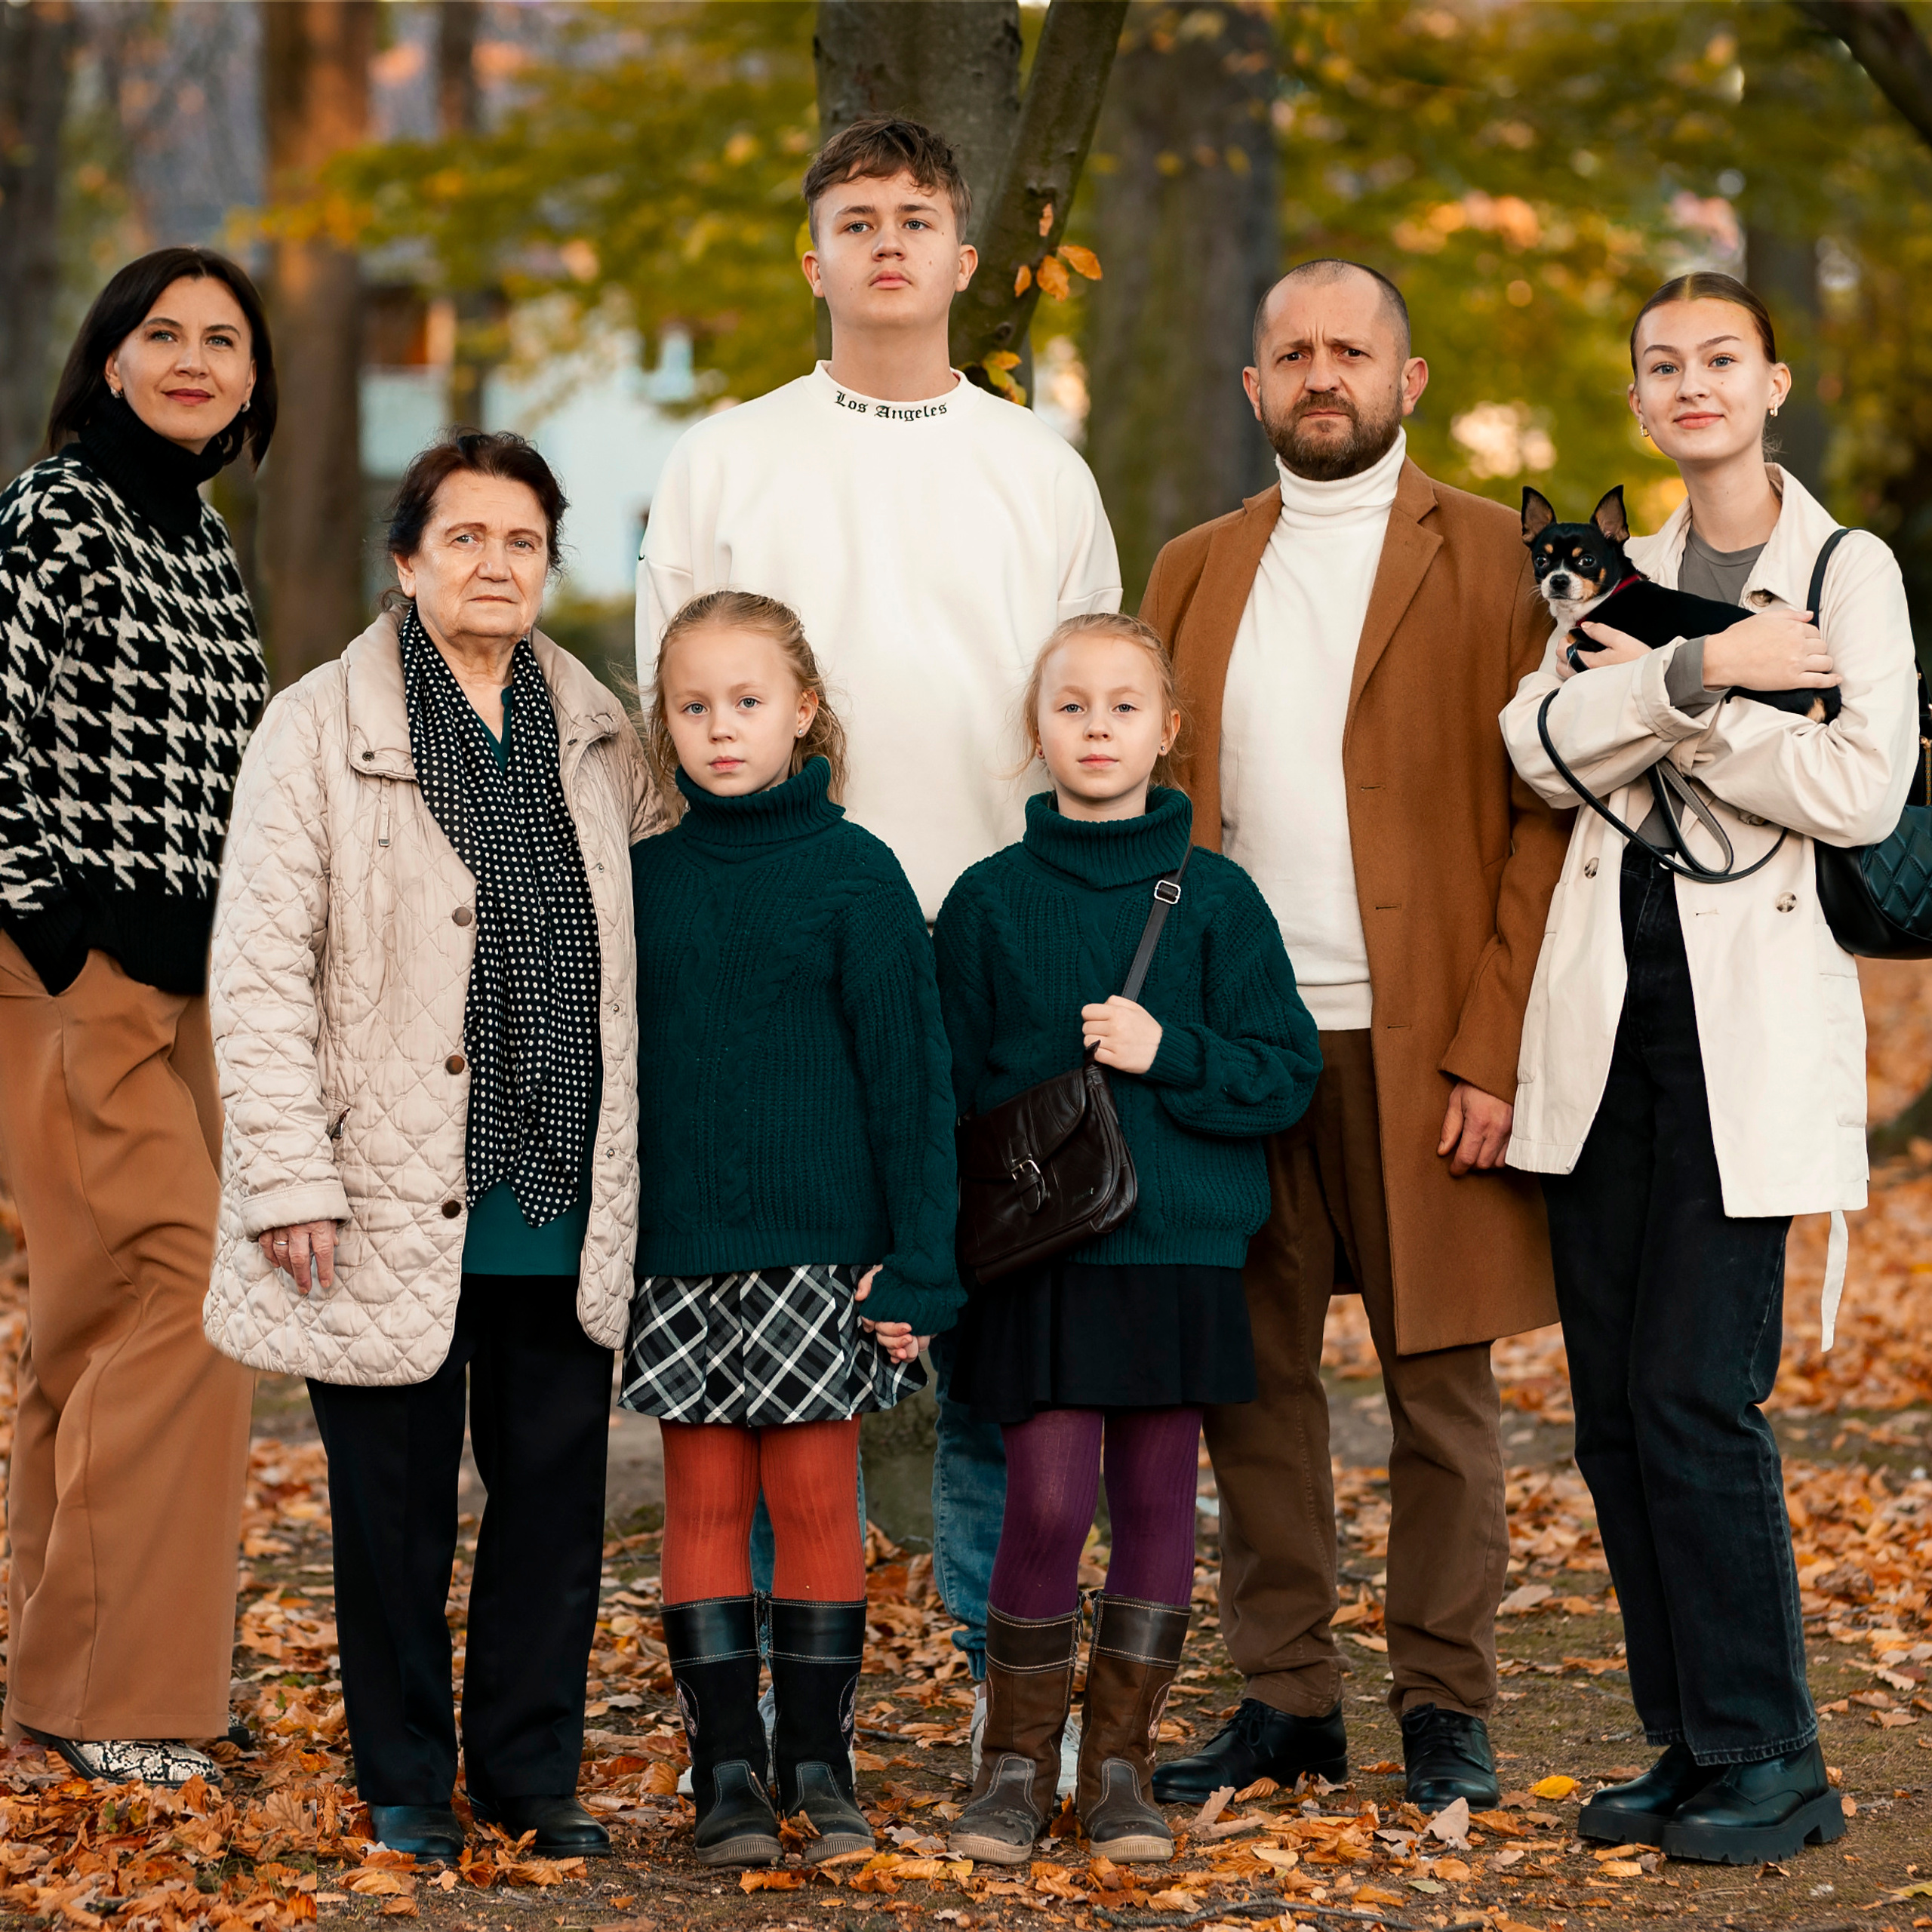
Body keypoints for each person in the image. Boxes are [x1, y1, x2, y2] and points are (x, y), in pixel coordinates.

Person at [636, 114, 1121, 1754]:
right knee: (773, 1343)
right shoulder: (726, 459)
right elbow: (667, 706)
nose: (888, 242)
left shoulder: (1036, 469)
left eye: (918, 216)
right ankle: (764, 1732)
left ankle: (1015, 1700)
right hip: (780, 945)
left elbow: (1081, 706)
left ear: (967, 257)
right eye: (855, 217)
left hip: (985, 933)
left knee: (994, 1339)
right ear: (814, 254)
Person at [1138, 260, 1570, 1811]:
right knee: (1250, 1388)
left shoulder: (1502, 563)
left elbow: (1546, 825)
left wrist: (1490, 1045)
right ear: (1251, 388)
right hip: (1240, 1051)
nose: (1321, 374)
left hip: (1421, 1041)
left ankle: (1444, 1704)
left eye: (1350, 349)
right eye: (1291, 353)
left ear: (1409, 378)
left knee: (1441, 1396)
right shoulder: (1191, 566)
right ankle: (1287, 1700)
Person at [1500, 272, 1915, 1864]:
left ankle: (1773, 1754)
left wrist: (1677, 712)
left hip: (1744, 1020)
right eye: (1659, 365)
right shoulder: (1621, 567)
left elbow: (1863, 786)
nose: (1689, 384)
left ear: (1769, 383)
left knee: (1692, 1388)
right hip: (1607, 1018)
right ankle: (1685, 1745)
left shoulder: (1839, 565)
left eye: (1717, 359)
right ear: (1637, 403)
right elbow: (1526, 745)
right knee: (1609, 1405)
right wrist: (1701, 671)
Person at [205, 432, 658, 1862]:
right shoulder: (314, 727)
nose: (494, 565)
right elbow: (260, 970)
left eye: (522, 542)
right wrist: (288, 1176)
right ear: (407, 561)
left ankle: (532, 1776)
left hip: (560, 1184)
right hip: (379, 1188)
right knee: (391, 1517)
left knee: (552, 1513)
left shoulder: (602, 733)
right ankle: (405, 1780)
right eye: (464, 538)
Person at [937, 614, 1321, 1866]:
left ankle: (1118, 1771)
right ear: (1034, 732)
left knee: (1158, 1503)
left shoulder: (1217, 902)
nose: (1097, 730)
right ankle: (1013, 1768)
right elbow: (943, 1098)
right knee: (1045, 1507)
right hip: (1041, 1266)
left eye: (1122, 707)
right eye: (1070, 707)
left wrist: (1175, 1053)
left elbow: (1287, 1077)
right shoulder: (987, 905)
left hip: (1179, 1254)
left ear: (1168, 729)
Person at [623, 589, 962, 1868]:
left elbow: (912, 1082)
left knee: (819, 1501)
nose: (721, 728)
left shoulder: (855, 874)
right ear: (666, 722)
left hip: (829, 1255)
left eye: (748, 702)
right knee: (703, 1505)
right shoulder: (641, 880)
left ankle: (819, 1763)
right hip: (682, 1251)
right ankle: (724, 1768)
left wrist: (922, 1257)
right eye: (694, 706)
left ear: (804, 711)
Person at [0, 248, 275, 1786]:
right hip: (71, 970)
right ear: (108, 362)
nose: (190, 356)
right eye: (159, 332)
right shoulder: (64, 510)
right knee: (183, 1296)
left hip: (186, 981)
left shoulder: (199, 536)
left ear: (250, 382)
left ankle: (64, 1680)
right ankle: (119, 1697)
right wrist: (49, 920)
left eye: (221, 339)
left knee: (99, 1323)